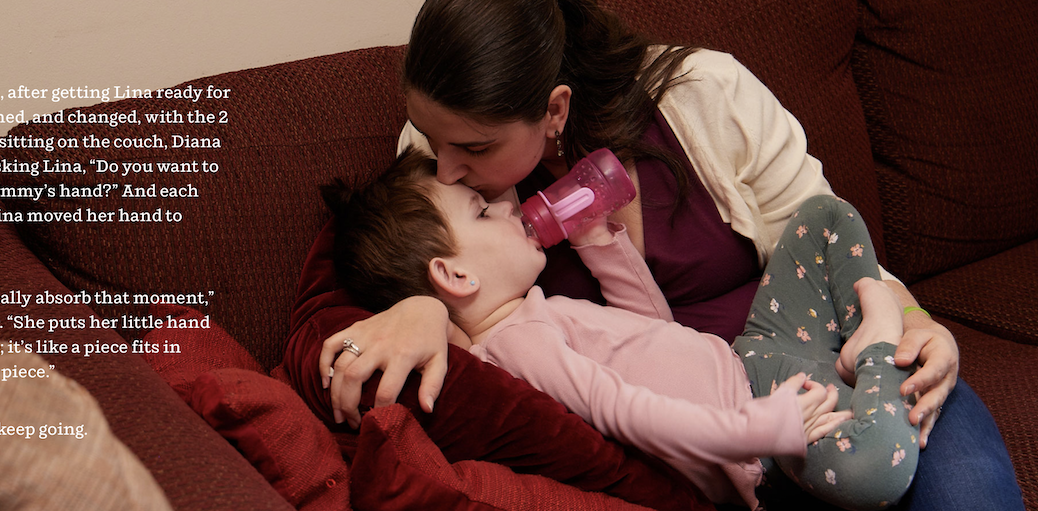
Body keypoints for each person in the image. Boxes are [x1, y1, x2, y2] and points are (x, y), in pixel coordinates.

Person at [308, 0, 1022, 509]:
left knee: (964, 484)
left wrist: (915, 318)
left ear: (554, 110)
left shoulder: (705, 94)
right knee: (876, 471)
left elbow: (827, 246)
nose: (445, 165)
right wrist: (423, 310)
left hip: (803, 341)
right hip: (743, 424)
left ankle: (884, 341)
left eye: (474, 148)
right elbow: (410, 265)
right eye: (436, 145)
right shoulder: (442, 158)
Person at [324, 149, 917, 509]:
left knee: (823, 216)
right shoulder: (516, 345)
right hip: (758, 439)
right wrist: (758, 429)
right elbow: (625, 412)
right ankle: (879, 343)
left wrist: (599, 243)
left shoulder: (537, 311)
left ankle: (857, 360)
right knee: (873, 470)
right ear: (455, 275)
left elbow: (656, 332)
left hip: (749, 357)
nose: (508, 206)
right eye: (483, 212)